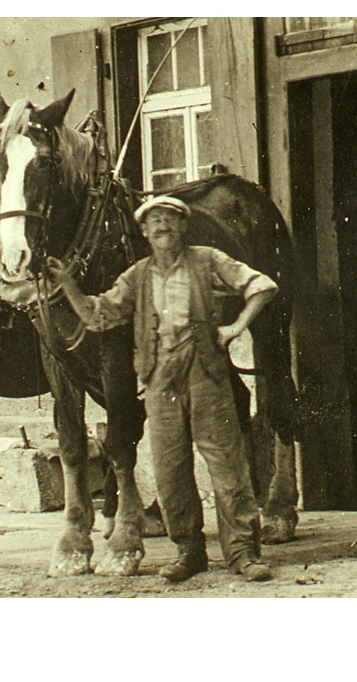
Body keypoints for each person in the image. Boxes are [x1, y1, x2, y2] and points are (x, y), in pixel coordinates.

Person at [45, 195, 277, 582]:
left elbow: (262, 286)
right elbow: (95, 315)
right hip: (159, 379)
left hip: (205, 372)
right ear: (144, 233)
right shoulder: (137, 276)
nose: (163, 227)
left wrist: (235, 329)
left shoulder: (208, 259)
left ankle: (242, 553)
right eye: (155, 222)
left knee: (226, 465)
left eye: (171, 220)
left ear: (183, 226)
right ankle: (189, 551)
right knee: (169, 470)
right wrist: (67, 283)